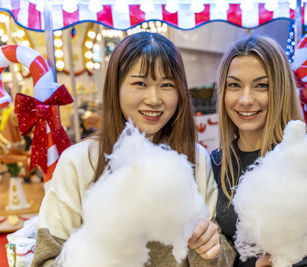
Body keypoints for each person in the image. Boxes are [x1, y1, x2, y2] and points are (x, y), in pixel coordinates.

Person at [32, 32, 235, 267]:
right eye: (140, 83)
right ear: (115, 88)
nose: (154, 98)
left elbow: (219, 259)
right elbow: (46, 259)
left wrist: (208, 249)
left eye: (167, 85)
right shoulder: (78, 162)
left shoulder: (196, 158)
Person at [210, 35, 307, 267]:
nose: (245, 99)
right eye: (234, 85)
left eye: (261, 85)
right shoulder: (215, 165)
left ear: (282, 90)